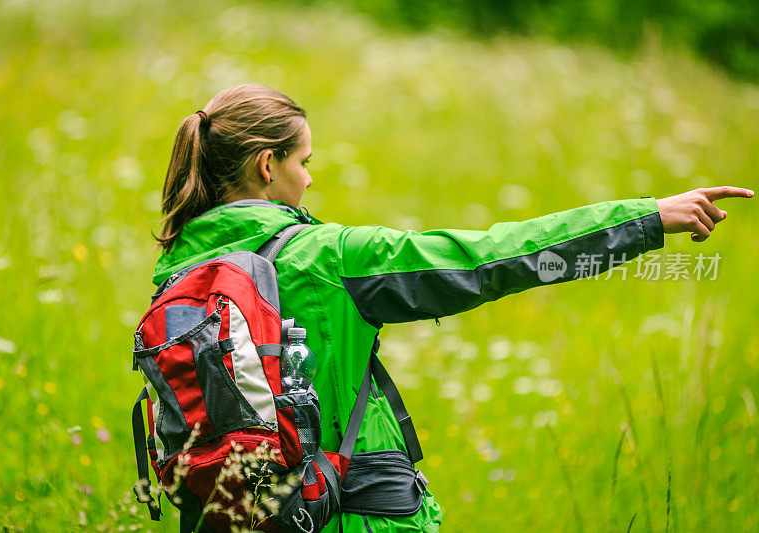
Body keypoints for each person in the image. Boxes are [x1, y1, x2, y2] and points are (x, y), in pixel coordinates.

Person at [152, 83, 753, 532]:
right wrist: (646, 219)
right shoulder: (328, 256)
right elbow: (492, 257)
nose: (309, 180)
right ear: (267, 165)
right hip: (351, 514)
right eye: (304, 162)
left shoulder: (175, 272)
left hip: (229, 516)